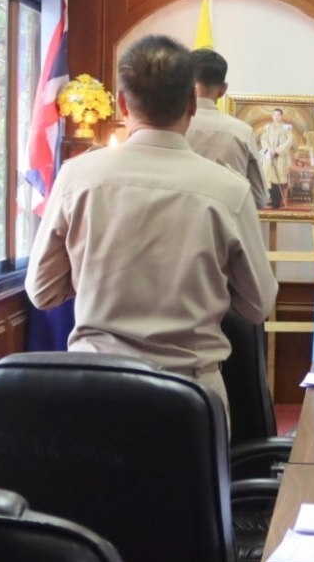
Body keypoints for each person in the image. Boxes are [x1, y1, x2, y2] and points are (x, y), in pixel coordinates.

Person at [25, 34, 279, 415]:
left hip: (92, 390)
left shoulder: (76, 178)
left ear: (123, 103)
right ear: (194, 101)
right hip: (189, 400)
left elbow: (42, 291)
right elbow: (259, 305)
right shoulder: (230, 191)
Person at [185, 48, 267, 209]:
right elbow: (260, 198)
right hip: (227, 228)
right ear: (223, 89)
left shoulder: (172, 127)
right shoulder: (242, 132)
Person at [260, 108, 295, 209]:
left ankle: (277, 202)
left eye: (278, 115)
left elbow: (288, 142)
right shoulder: (268, 128)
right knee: (269, 179)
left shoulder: (286, 129)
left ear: (281, 116)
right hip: (269, 156)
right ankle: (273, 199)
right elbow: (263, 139)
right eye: (274, 115)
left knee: (277, 180)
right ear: (272, 116)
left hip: (279, 157)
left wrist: (277, 151)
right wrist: (269, 149)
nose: (276, 117)